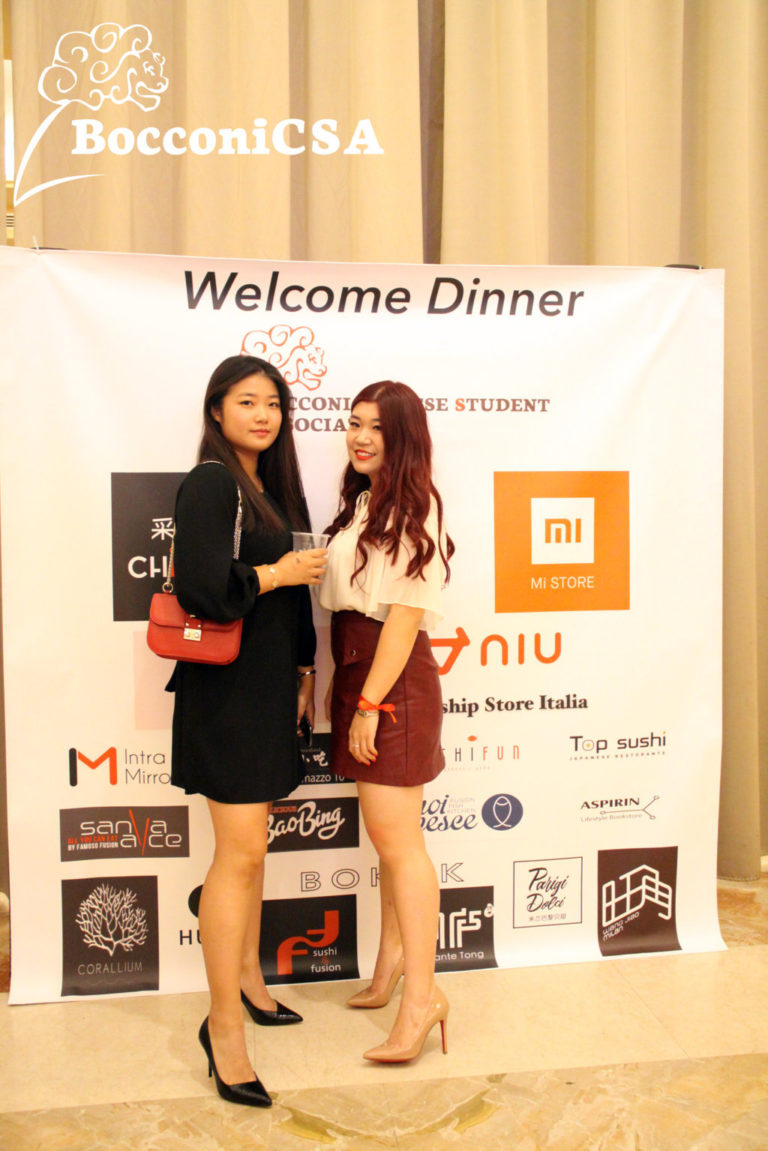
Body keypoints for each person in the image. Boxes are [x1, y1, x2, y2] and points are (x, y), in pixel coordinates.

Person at [168, 354, 327, 1107]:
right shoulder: (211, 482)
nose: (264, 415)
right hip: (225, 694)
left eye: (274, 404)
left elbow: (297, 602)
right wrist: (273, 574)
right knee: (241, 855)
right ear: (217, 409)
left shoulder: (270, 487)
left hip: (266, 690)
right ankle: (223, 1028)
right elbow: (203, 588)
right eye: (247, 402)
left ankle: (251, 983)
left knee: (252, 853)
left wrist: (304, 672)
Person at [319, 380, 454, 1064]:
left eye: (376, 426)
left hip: (389, 679)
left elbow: (403, 618)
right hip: (358, 670)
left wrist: (370, 705)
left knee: (400, 846)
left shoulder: (414, 505)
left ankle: (422, 998)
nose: (360, 435)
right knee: (389, 840)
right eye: (354, 422)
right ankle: (390, 963)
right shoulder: (365, 502)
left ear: (403, 437)